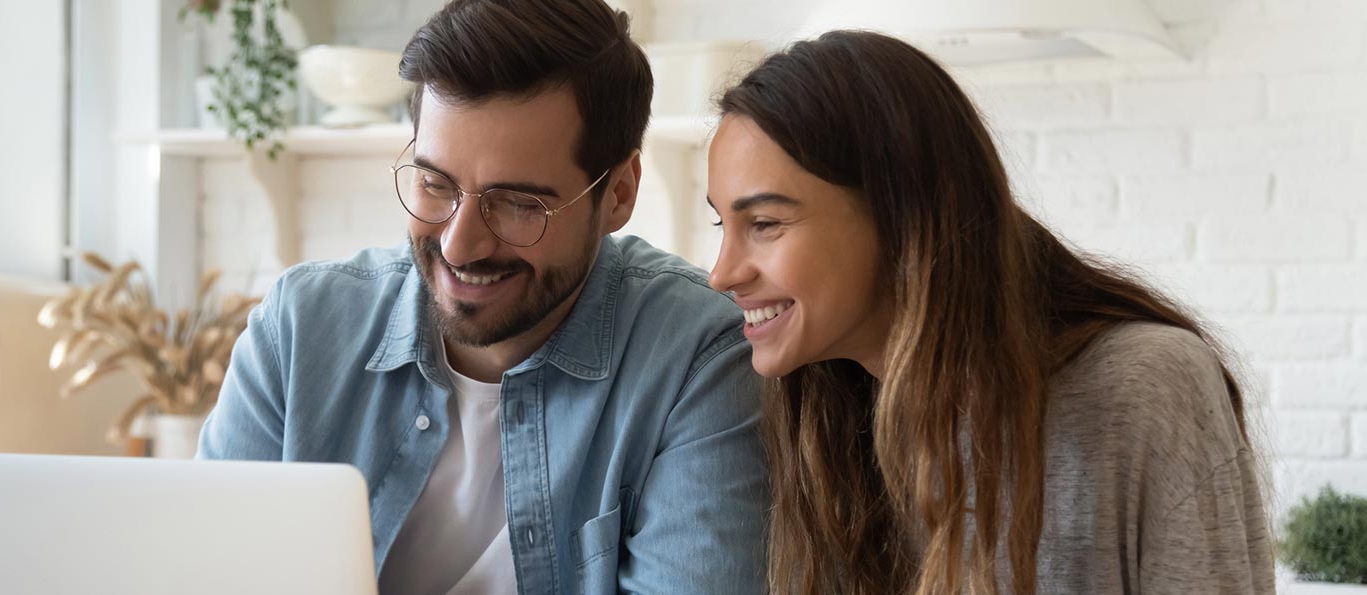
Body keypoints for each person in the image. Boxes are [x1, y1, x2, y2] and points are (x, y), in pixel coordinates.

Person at [199, 1, 768, 593]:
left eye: (520, 204)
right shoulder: (298, 331)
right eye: (434, 184)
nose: (459, 244)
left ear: (619, 194)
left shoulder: (699, 359)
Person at [704, 30, 1273, 595]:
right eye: (721, 225)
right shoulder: (821, 416)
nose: (722, 273)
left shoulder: (1145, 386)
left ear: (902, 214)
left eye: (765, 224)